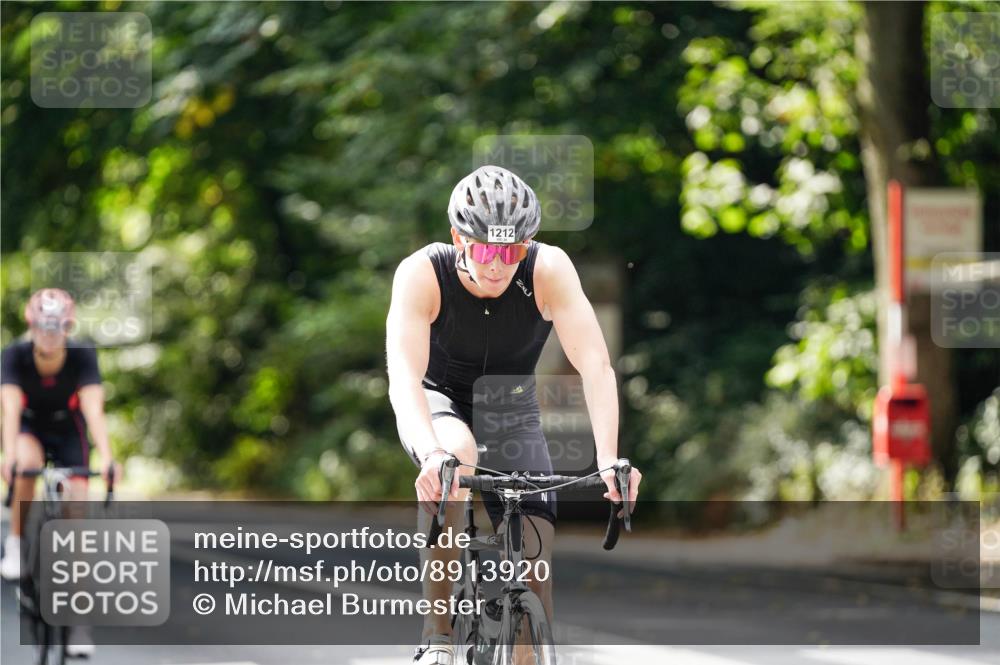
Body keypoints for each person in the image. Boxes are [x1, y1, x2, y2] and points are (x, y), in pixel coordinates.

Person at [386, 165, 642, 664]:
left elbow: (596, 365)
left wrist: (611, 459)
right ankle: (438, 633)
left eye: (512, 250)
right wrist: (431, 454)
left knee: (536, 578)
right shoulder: (423, 274)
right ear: (458, 238)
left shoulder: (549, 269)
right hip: (438, 400)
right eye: (485, 249)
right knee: (456, 457)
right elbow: (404, 379)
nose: (499, 264)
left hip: (510, 407)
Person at [0, 288, 119, 657]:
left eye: (56, 329)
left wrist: (109, 458)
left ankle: (79, 623)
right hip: (30, 428)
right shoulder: (14, 356)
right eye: (42, 328)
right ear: (31, 325)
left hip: (70, 430)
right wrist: (8, 456)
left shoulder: (82, 357)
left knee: (76, 521)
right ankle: (17, 541)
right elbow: (9, 410)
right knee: (25, 462)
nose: (49, 337)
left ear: (68, 329)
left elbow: (94, 411)